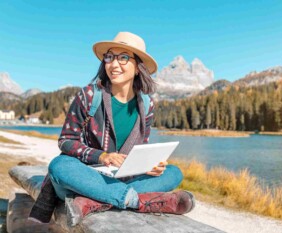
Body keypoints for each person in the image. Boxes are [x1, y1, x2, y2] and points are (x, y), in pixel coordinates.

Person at [29, 32, 195, 226]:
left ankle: (94, 202)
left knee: (174, 173)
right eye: (110, 57)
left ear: (137, 67)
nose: (114, 64)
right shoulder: (89, 95)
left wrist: (149, 166)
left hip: (121, 178)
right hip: (84, 177)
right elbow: (66, 141)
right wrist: (101, 156)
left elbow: (140, 148)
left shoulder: (147, 104)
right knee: (59, 166)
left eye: (124, 57)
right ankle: (137, 201)